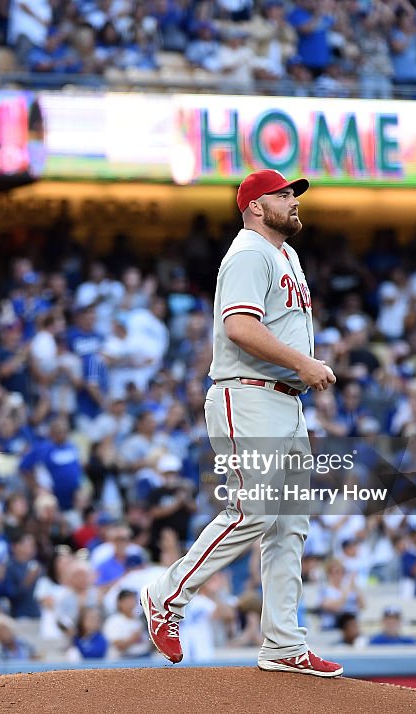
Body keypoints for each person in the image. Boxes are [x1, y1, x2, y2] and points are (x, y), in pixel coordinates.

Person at [140, 170, 343, 677]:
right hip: (248, 395)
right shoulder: (250, 252)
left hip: (283, 402)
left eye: (293, 194)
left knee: (289, 523)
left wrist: (298, 371)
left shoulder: (284, 254)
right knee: (251, 509)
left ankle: (282, 643)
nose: (293, 201)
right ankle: (165, 596)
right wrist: (301, 363)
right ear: (256, 206)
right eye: (283, 195)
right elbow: (239, 326)